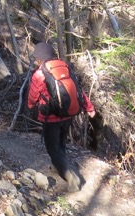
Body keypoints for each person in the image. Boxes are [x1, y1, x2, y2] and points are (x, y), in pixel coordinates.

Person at [26, 41, 96, 192]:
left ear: (39, 58)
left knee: (53, 148)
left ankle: (70, 176)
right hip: (69, 114)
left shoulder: (39, 74)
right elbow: (78, 90)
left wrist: (31, 106)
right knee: (61, 142)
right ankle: (57, 166)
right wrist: (89, 107)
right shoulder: (65, 66)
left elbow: (33, 94)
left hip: (51, 117)